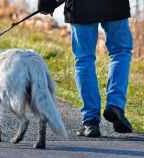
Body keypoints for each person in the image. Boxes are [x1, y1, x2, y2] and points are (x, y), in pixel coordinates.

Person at [38, 0, 133, 137]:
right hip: (115, 5)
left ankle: (90, 121)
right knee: (120, 52)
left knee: (84, 60)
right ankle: (115, 104)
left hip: (81, 6)